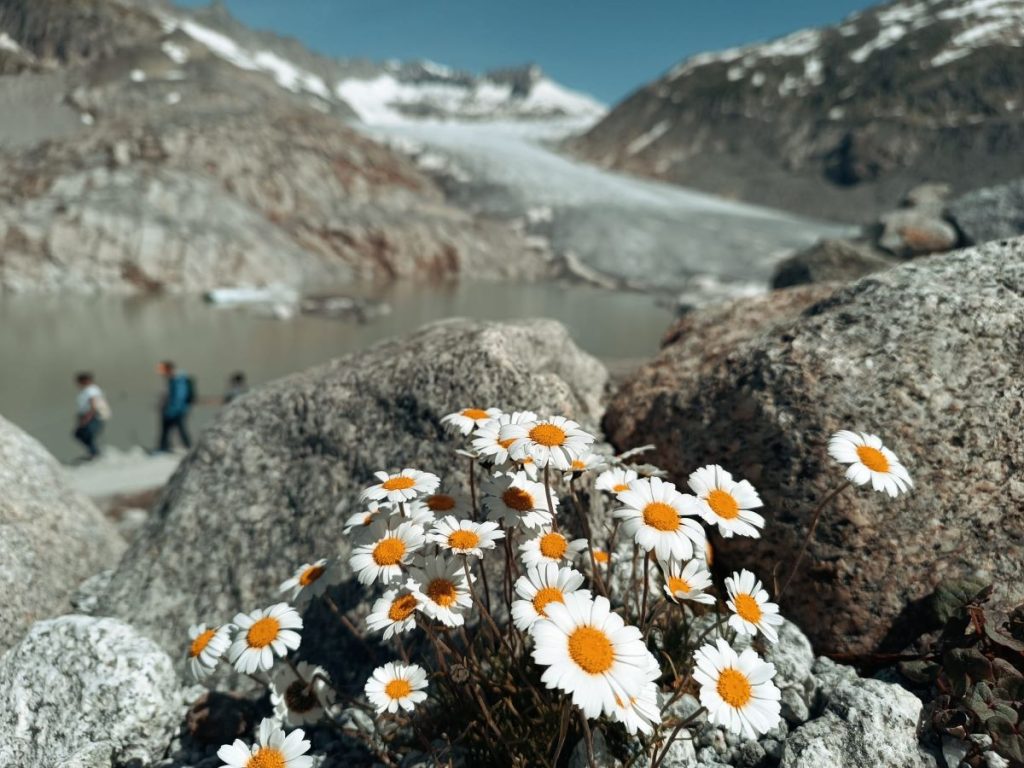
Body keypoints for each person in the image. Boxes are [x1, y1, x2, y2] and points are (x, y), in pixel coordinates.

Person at [157, 360, 192, 452]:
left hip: (176, 411)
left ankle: (187, 448)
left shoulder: (178, 379)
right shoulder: (172, 379)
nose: (160, 371)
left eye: (162, 369)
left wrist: (171, 410)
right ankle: (163, 447)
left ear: (168, 369)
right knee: (168, 430)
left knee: (178, 429)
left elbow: (179, 397)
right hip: (174, 410)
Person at [73, 372, 108, 460]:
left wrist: (87, 418)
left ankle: (95, 453)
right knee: (81, 434)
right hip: (88, 416)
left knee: (86, 433)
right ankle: (94, 452)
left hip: (93, 416)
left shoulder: (91, 390)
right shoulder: (86, 390)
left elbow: (93, 404)